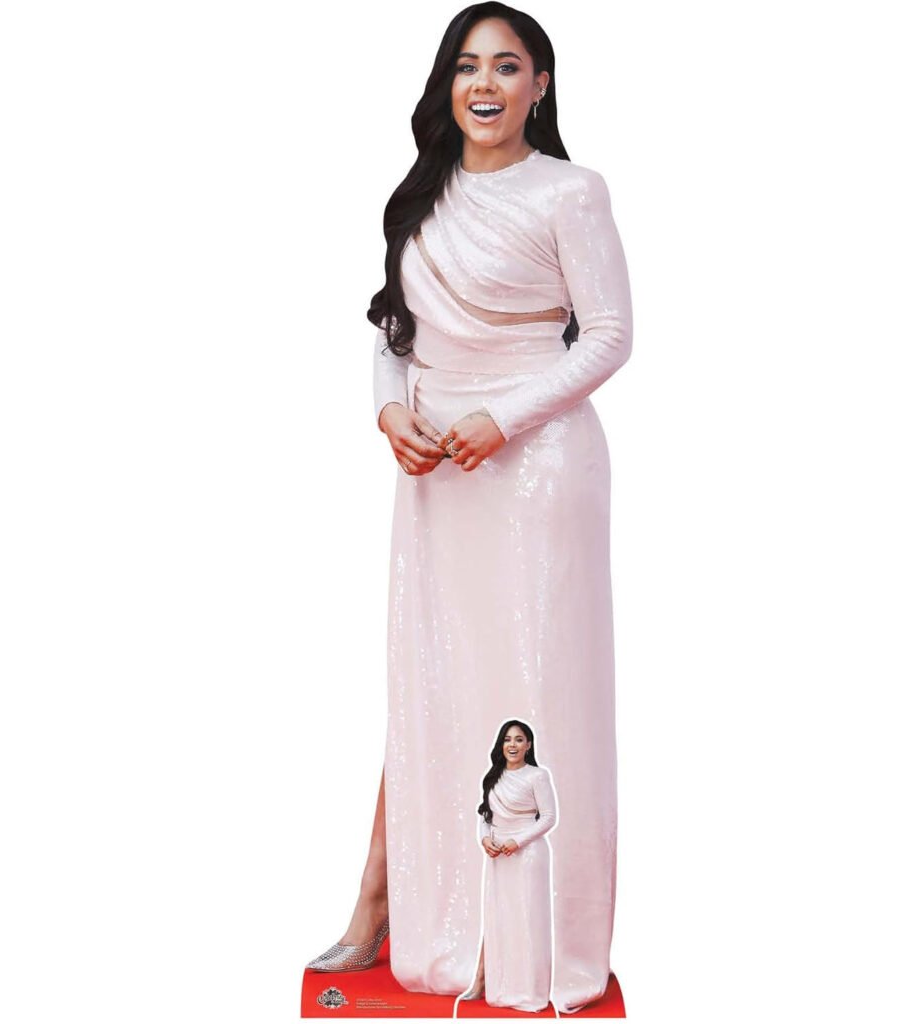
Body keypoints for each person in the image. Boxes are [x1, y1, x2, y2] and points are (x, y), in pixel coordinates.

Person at [307, 3, 631, 1012]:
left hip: (538, 469)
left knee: (532, 685)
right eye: (466, 66)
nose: (484, 84)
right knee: (432, 679)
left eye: (507, 65)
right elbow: (392, 330)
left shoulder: (570, 191)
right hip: (436, 472)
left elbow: (610, 335)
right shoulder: (424, 191)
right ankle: (384, 901)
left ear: (540, 85)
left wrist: (505, 417)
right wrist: (388, 412)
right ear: (447, 84)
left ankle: (525, 937)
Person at [458, 721, 558, 1013]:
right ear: (501, 744)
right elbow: (485, 815)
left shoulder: (538, 775)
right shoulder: (494, 775)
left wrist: (518, 841)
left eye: (519, 739)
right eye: (507, 739)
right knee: (498, 917)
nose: (512, 745)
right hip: (498, 857)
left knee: (527, 919)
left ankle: (528, 990)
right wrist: (484, 839)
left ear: (529, 745)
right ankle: (490, 983)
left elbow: (549, 817)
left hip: (528, 856)